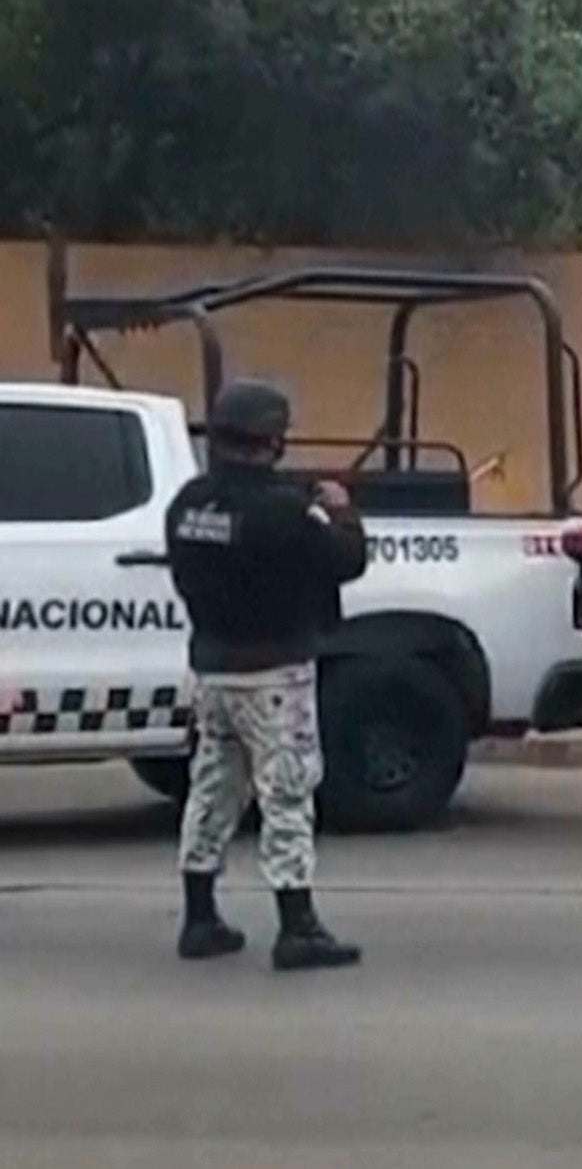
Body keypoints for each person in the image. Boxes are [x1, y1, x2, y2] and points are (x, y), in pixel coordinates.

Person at [166, 378, 367, 971]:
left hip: (213, 667)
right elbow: (345, 560)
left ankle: (199, 917)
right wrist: (340, 510)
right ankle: (297, 925)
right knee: (287, 794)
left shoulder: (189, 504)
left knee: (211, 790)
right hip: (274, 670)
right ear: (272, 440)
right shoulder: (283, 509)